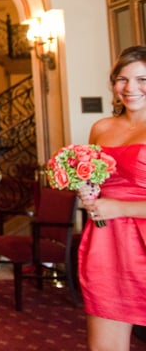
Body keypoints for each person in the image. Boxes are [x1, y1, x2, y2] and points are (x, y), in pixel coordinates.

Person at [78, 45, 146, 351]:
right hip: (108, 245)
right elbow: (94, 180)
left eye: (142, 79)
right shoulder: (101, 128)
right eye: (122, 79)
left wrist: (119, 207)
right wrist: (87, 191)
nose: (131, 88)